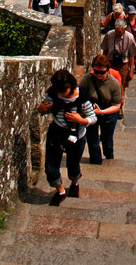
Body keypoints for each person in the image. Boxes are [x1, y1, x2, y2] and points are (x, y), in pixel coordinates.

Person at [37, 69, 97, 205]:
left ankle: (74, 183)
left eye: (63, 91)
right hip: (56, 134)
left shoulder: (82, 97)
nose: (60, 94)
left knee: (73, 165)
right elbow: (44, 108)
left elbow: (93, 118)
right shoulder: (52, 94)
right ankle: (60, 191)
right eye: (58, 91)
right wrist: (41, 110)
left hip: (77, 136)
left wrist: (80, 120)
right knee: (51, 167)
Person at [79, 55, 122, 164]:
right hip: (91, 112)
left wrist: (102, 112)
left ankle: (109, 156)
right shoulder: (87, 79)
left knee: (107, 139)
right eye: (96, 72)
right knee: (92, 140)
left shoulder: (114, 83)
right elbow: (80, 95)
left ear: (107, 70)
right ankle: (96, 161)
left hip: (108, 113)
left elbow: (117, 106)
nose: (98, 75)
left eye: (102, 72)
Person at [101, 18, 136, 116]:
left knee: (120, 86)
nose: (118, 34)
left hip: (123, 65)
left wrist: (131, 71)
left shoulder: (129, 37)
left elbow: (132, 55)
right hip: (110, 63)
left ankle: (119, 108)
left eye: (120, 32)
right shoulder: (109, 35)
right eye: (116, 31)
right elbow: (104, 51)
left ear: (124, 30)